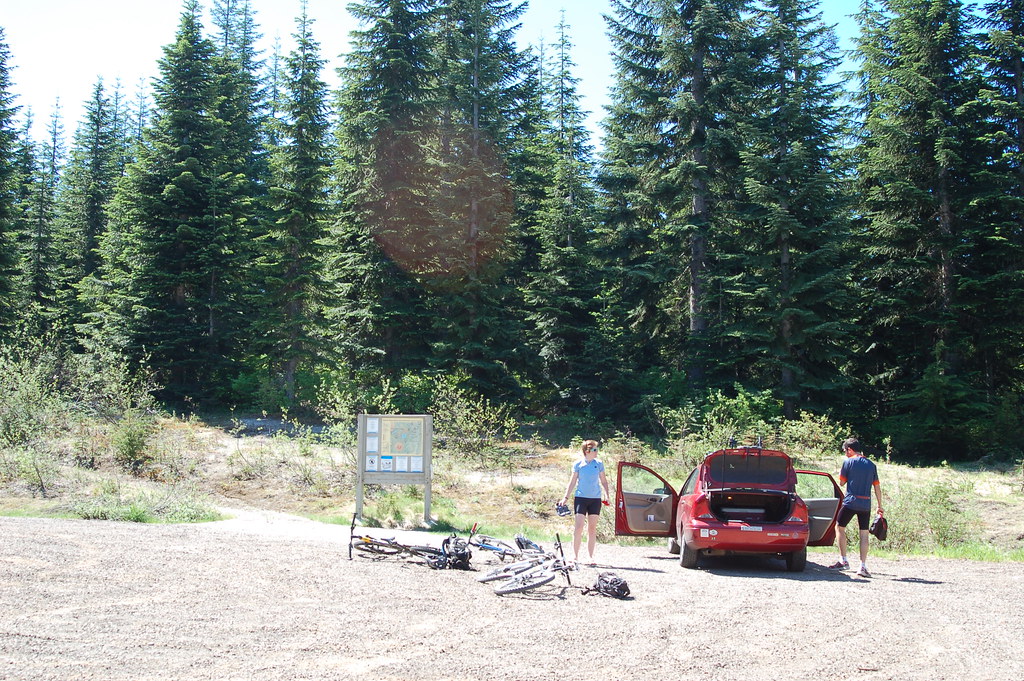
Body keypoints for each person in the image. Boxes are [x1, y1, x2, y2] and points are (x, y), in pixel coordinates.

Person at [829, 437, 884, 578]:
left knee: (839, 527)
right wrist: (880, 506)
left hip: (850, 502)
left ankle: (843, 560)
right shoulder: (872, 465)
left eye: (845, 451)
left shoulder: (848, 462)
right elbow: (877, 487)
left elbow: (841, 483)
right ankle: (863, 566)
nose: (844, 453)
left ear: (850, 449)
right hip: (866, 503)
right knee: (864, 533)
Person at [559, 439, 611, 565]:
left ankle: (590, 557)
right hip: (581, 498)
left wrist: (607, 494)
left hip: (595, 499)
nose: (596, 452)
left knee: (592, 528)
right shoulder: (578, 464)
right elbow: (572, 482)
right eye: (594, 449)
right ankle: (575, 556)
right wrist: (565, 498)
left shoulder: (598, 463)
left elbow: (604, 481)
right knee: (579, 527)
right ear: (587, 451)